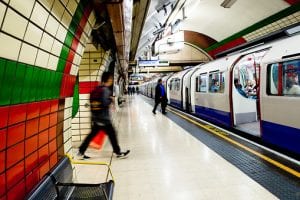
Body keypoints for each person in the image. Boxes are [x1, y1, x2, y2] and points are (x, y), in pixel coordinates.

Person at [78, 72, 130, 159]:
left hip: (95, 118)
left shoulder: (95, 89)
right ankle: (118, 152)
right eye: (111, 79)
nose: (111, 81)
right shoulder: (105, 90)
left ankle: (81, 151)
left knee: (91, 136)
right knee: (112, 135)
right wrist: (111, 100)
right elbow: (105, 103)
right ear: (108, 80)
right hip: (104, 119)